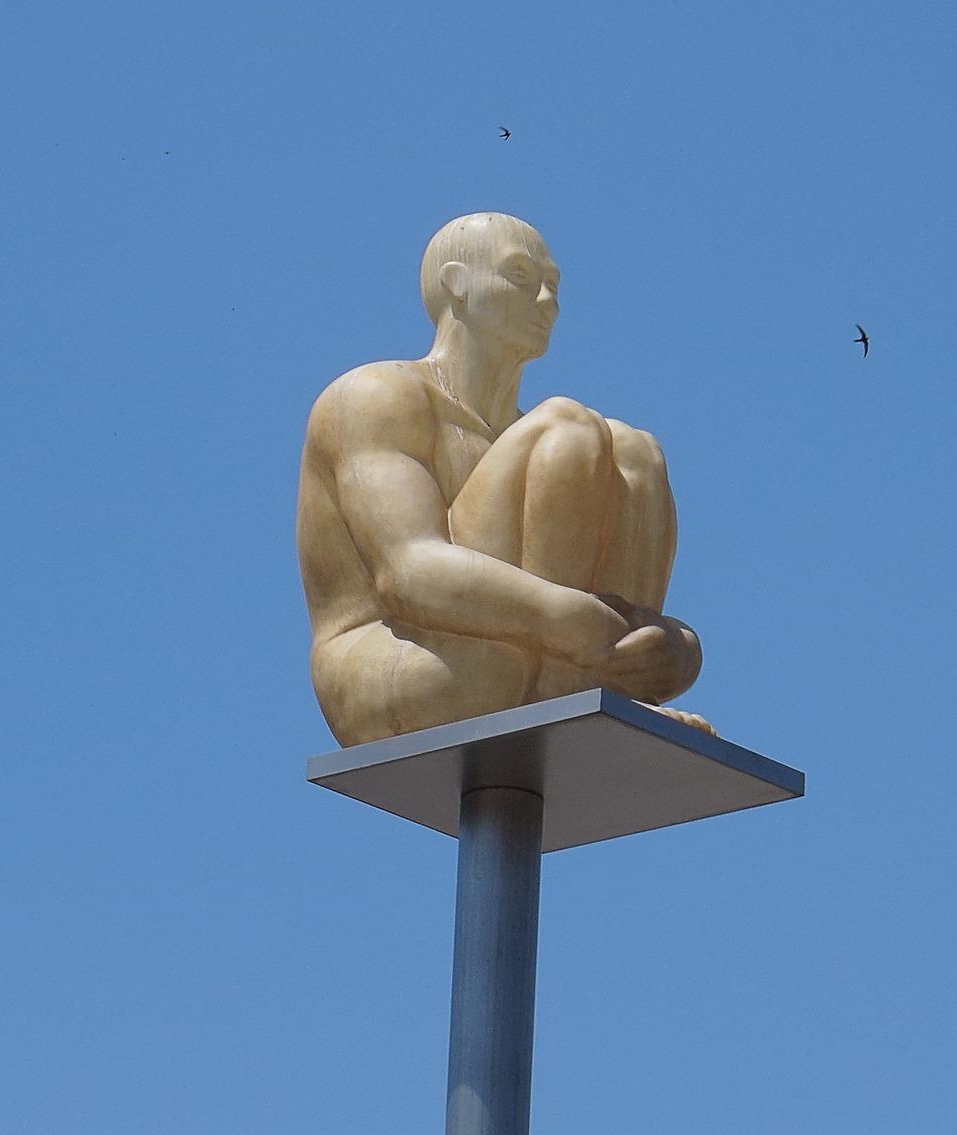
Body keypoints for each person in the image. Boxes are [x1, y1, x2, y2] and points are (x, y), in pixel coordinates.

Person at [297, 212, 707, 747]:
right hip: (398, 662)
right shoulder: (378, 395)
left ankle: (610, 688)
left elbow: (597, 613)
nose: (546, 302)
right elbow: (407, 572)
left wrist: (672, 645)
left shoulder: (528, 440)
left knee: (634, 449)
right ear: (456, 285)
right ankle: (572, 687)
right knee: (570, 427)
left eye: (553, 287)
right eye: (520, 278)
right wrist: (561, 618)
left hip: (520, 650)